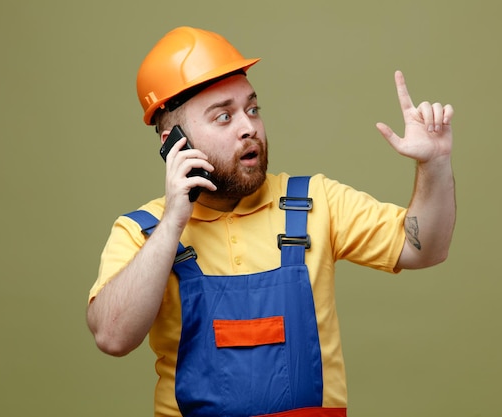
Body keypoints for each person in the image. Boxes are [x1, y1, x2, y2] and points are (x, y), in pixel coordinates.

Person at [87, 26, 455, 417]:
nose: (248, 127)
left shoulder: (316, 202)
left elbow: (424, 249)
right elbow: (112, 337)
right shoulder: (143, 231)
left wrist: (434, 163)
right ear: (173, 142)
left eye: (252, 109)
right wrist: (175, 220)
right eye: (223, 116)